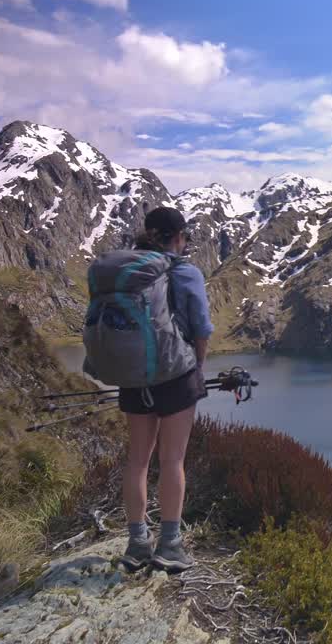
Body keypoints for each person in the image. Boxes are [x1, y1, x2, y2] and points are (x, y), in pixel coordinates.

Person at [118, 206, 213, 573]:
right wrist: (198, 368)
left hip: (133, 374)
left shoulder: (127, 270)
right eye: (185, 237)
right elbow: (202, 328)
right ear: (178, 238)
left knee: (138, 460)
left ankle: (137, 542)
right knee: (172, 460)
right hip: (176, 375)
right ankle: (170, 545)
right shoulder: (184, 271)